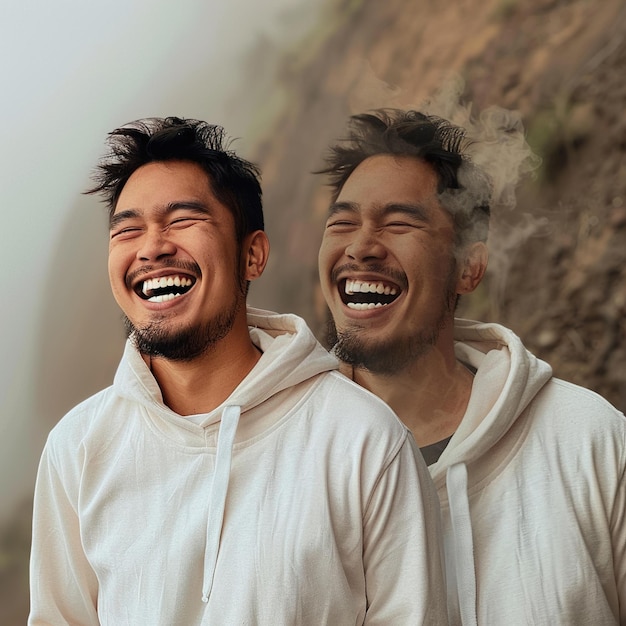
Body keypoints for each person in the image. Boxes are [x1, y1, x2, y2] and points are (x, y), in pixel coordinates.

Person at [28, 117, 448, 625]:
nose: (152, 247)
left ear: (253, 254)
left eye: (182, 220)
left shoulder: (364, 440)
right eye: (128, 229)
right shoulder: (78, 448)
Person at [317, 108, 626, 625]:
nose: (361, 246)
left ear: (469, 266)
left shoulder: (586, 441)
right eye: (342, 223)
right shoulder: (287, 462)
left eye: (398, 223)